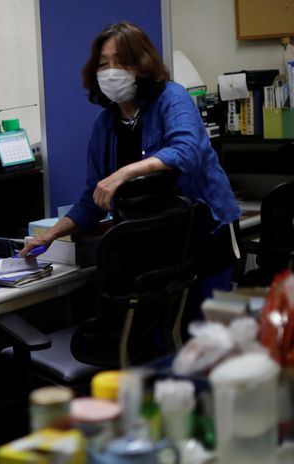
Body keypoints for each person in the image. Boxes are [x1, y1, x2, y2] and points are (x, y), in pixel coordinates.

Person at [22, 21, 240, 323]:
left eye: (121, 61)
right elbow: (92, 200)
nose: (111, 71)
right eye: (103, 64)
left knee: (207, 338)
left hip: (204, 235)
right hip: (158, 249)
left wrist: (123, 173)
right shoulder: (105, 125)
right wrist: (50, 235)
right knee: (163, 337)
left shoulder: (171, 98)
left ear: (141, 64)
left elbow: (186, 151)